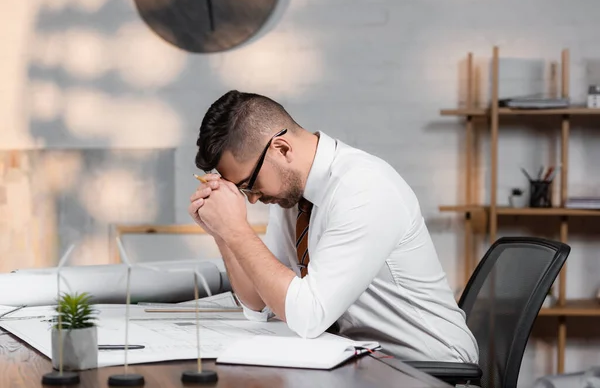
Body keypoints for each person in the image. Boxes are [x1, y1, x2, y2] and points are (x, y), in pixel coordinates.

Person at [188, 90, 479, 363]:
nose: (253, 200)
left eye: (250, 185)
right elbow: (259, 302)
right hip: (362, 361)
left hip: (428, 368)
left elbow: (308, 315)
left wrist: (238, 230)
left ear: (282, 148)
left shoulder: (363, 189)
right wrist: (224, 234)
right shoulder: (291, 197)